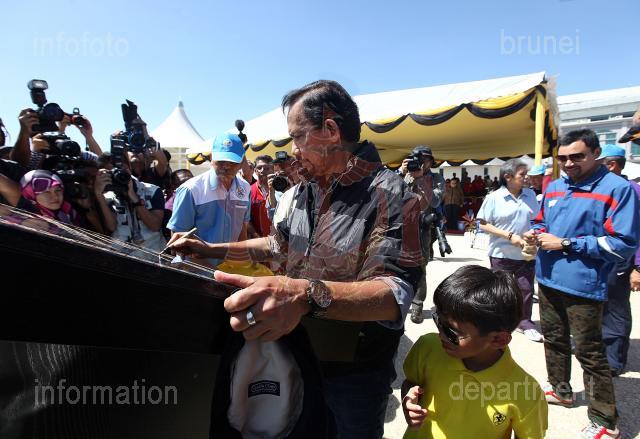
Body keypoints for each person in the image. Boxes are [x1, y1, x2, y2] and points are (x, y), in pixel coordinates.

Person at [168, 80, 423, 438]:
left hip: (355, 374)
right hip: (299, 352)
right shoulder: (308, 188)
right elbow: (277, 246)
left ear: (330, 131)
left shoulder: (392, 195)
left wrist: (302, 295)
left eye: (297, 136)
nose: (292, 149)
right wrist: (210, 249)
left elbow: (393, 294)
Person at [523, 129, 640, 439]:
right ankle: (560, 389)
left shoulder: (618, 189)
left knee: (589, 351)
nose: (568, 163)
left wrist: (566, 243)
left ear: (596, 153)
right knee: (554, 339)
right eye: (562, 158)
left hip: (585, 286)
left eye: (577, 156)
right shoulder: (555, 186)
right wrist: (535, 233)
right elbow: (541, 221)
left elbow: (623, 244)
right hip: (548, 278)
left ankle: (605, 421)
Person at [401, 265, 548, 439]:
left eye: (452, 332)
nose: (441, 334)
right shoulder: (428, 347)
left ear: (498, 339)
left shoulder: (526, 392)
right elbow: (411, 383)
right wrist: (408, 402)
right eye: (438, 320)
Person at [476, 159, 542, 342]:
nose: (527, 177)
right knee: (501, 290)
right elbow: (482, 224)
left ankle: (525, 323)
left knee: (526, 289)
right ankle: (499, 322)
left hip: (526, 253)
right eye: (522, 174)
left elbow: (538, 220)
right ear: (508, 177)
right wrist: (509, 236)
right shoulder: (494, 198)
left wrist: (534, 233)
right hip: (501, 254)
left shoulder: (530, 195)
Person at [167, 133, 251, 267]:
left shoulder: (245, 188)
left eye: (232, 162)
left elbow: (242, 228)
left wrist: (242, 262)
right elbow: (179, 236)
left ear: (242, 162)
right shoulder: (191, 190)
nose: (226, 166)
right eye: (221, 161)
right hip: (197, 271)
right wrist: (209, 270)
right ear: (211, 157)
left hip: (230, 269)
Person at [597, 144, 640, 377]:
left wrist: (638, 267)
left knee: (615, 308)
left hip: (621, 261)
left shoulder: (631, 191)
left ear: (612, 165)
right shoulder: (606, 189)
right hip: (602, 258)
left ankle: (614, 359)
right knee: (600, 306)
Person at [399, 146, 445, 324]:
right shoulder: (406, 175)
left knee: (419, 267)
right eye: (418, 159)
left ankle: (417, 305)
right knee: (397, 265)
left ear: (431, 162)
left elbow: (435, 201)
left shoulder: (436, 178)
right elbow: (391, 194)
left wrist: (420, 180)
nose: (421, 163)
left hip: (422, 228)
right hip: (401, 227)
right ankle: (400, 300)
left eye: (425, 159)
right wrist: (400, 173)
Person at [248, 155, 276, 238]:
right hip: (259, 239)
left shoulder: (281, 188)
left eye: (267, 168)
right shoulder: (249, 190)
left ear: (273, 169)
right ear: (255, 171)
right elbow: (245, 218)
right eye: (259, 168)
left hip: (281, 239)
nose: (263, 170)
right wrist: (255, 234)